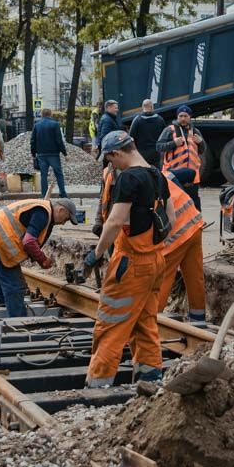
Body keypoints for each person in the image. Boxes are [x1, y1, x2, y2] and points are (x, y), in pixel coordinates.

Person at [83, 130, 177, 388]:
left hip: (130, 264)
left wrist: (96, 254)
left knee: (111, 326)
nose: (110, 165)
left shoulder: (128, 179)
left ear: (117, 153)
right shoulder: (158, 176)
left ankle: (97, 386)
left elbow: (114, 221)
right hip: (156, 262)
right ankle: (149, 378)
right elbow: (173, 220)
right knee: (145, 323)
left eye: (110, 159)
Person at [0, 198, 79, 317]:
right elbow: (29, 242)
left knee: (3, 282)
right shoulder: (43, 213)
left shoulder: (42, 209)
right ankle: (18, 324)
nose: (63, 223)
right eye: (66, 219)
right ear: (61, 210)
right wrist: (43, 260)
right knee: (14, 286)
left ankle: (7, 312)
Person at [150, 168, 206, 323]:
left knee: (161, 280)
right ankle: (198, 319)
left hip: (176, 235)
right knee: (194, 276)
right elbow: (189, 173)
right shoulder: (161, 175)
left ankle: (151, 322)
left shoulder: (139, 188)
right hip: (194, 223)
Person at [157, 105, 205, 209]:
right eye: (181, 116)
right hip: (174, 174)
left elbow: (202, 150)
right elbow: (159, 147)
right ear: (177, 117)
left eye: (185, 116)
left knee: (193, 202)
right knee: (175, 203)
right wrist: (173, 143)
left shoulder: (195, 131)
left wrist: (200, 142)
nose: (183, 118)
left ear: (190, 117)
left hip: (192, 176)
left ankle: (198, 223)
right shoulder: (169, 130)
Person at [30, 107, 68, 198]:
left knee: (43, 176)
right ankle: (63, 194)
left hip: (41, 155)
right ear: (50, 114)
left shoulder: (37, 125)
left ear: (42, 115)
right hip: (54, 154)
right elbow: (59, 140)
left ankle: (44, 195)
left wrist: (33, 154)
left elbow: (32, 141)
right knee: (59, 174)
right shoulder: (55, 124)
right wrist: (65, 153)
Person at [128, 99, 167, 168]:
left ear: (143, 107)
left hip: (142, 154)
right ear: (152, 107)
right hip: (156, 154)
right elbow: (165, 136)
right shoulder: (160, 119)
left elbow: (131, 138)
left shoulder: (137, 120)